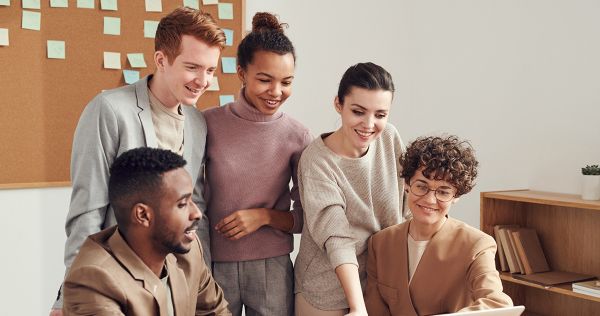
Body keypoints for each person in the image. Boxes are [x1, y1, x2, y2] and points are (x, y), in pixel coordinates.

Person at [51, 7, 225, 314]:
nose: (203, 81)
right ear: (161, 60)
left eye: (211, 70)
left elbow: (195, 208)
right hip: (117, 281)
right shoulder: (110, 110)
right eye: (193, 67)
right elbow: (87, 209)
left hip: (174, 283)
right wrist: (69, 297)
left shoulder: (198, 123)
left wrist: (199, 285)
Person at [202, 12, 311, 316]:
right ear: (241, 72)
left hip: (273, 267)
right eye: (265, 80)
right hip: (212, 265)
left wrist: (264, 217)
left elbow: (306, 219)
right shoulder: (206, 124)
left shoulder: (298, 136)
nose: (276, 92)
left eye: (286, 82)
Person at [294, 62, 407, 316]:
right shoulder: (317, 160)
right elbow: (337, 238)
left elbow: (406, 207)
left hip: (380, 283)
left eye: (380, 114)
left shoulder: (389, 138)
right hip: (326, 290)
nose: (369, 124)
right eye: (358, 111)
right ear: (338, 105)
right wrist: (357, 308)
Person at [62, 147, 231, 315]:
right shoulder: (93, 281)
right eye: (182, 204)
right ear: (143, 215)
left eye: (192, 200)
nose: (197, 213)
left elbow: (217, 312)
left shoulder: (188, 252)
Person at [365, 135, 513, 315]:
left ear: (456, 196)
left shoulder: (477, 245)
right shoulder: (380, 243)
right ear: (407, 184)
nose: (429, 199)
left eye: (443, 191)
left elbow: (497, 303)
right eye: (421, 186)